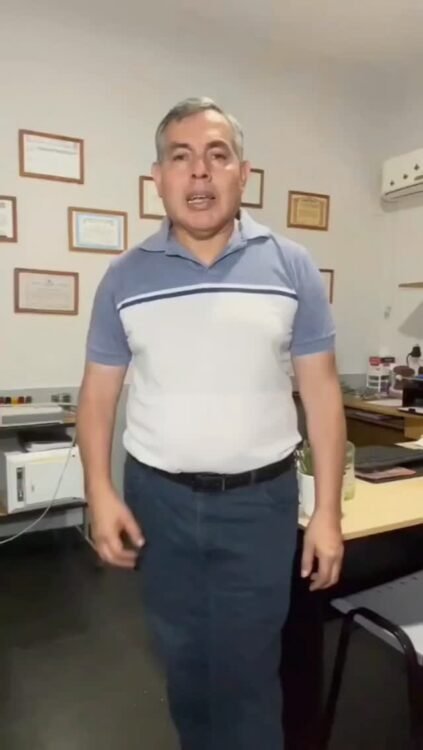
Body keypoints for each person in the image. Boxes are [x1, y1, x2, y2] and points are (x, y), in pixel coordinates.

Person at [77, 96, 346, 750]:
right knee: (184, 663)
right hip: (159, 502)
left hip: (260, 504)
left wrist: (328, 513)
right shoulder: (123, 278)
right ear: (158, 178)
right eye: (181, 157)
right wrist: (100, 492)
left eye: (216, 155)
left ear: (242, 174)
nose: (199, 172)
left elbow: (321, 394)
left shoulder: (291, 266)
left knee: (249, 672)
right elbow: (97, 398)